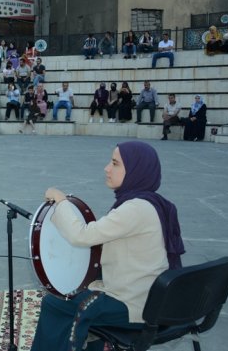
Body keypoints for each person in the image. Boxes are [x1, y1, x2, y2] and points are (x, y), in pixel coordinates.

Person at [33, 141, 184, 351]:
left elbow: (81, 235)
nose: (107, 168)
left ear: (135, 170)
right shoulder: (154, 202)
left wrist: (61, 201)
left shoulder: (135, 208)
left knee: (56, 305)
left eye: (115, 163)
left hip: (135, 305)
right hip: (153, 296)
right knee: (86, 292)